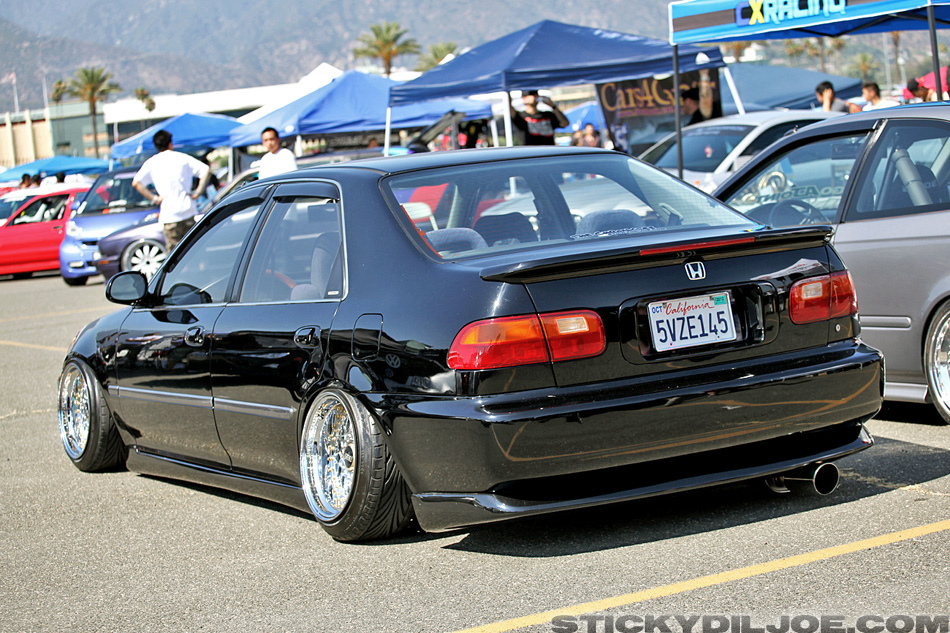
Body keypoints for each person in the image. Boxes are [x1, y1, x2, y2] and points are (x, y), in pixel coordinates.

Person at [132, 129, 211, 252]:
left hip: (169, 214)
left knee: (175, 254)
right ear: (170, 143)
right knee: (194, 250)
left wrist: (155, 198)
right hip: (188, 209)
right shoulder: (182, 158)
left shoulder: (152, 162)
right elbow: (206, 170)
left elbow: (136, 183)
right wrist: (197, 192)